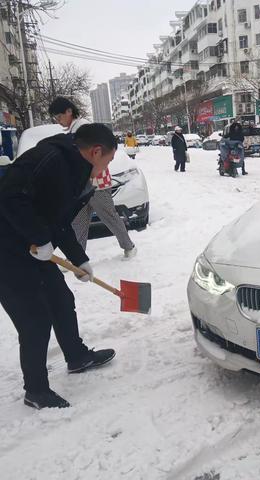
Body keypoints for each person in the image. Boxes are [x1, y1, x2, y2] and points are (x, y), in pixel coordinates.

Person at [0, 124, 117, 409]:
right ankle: (36, 391)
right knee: (35, 319)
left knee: (61, 300)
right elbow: (8, 196)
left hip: (33, 247)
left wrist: (79, 259)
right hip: (6, 251)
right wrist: (39, 238)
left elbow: (59, 220)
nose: (106, 168)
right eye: (108, 161)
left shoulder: (77, 171)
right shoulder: (50, 159)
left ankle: (76, 356)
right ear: (96, 151)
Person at [49, 97, 136, 259]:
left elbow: (92, 156)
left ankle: (128, 246)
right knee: (78, 222)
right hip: (83, 184)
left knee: (109, 217)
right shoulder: (74, 129)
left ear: (69, 111)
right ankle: (76, 256)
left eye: (59, 117)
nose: (59, 121)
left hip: (97, 183)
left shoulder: (83, 128)